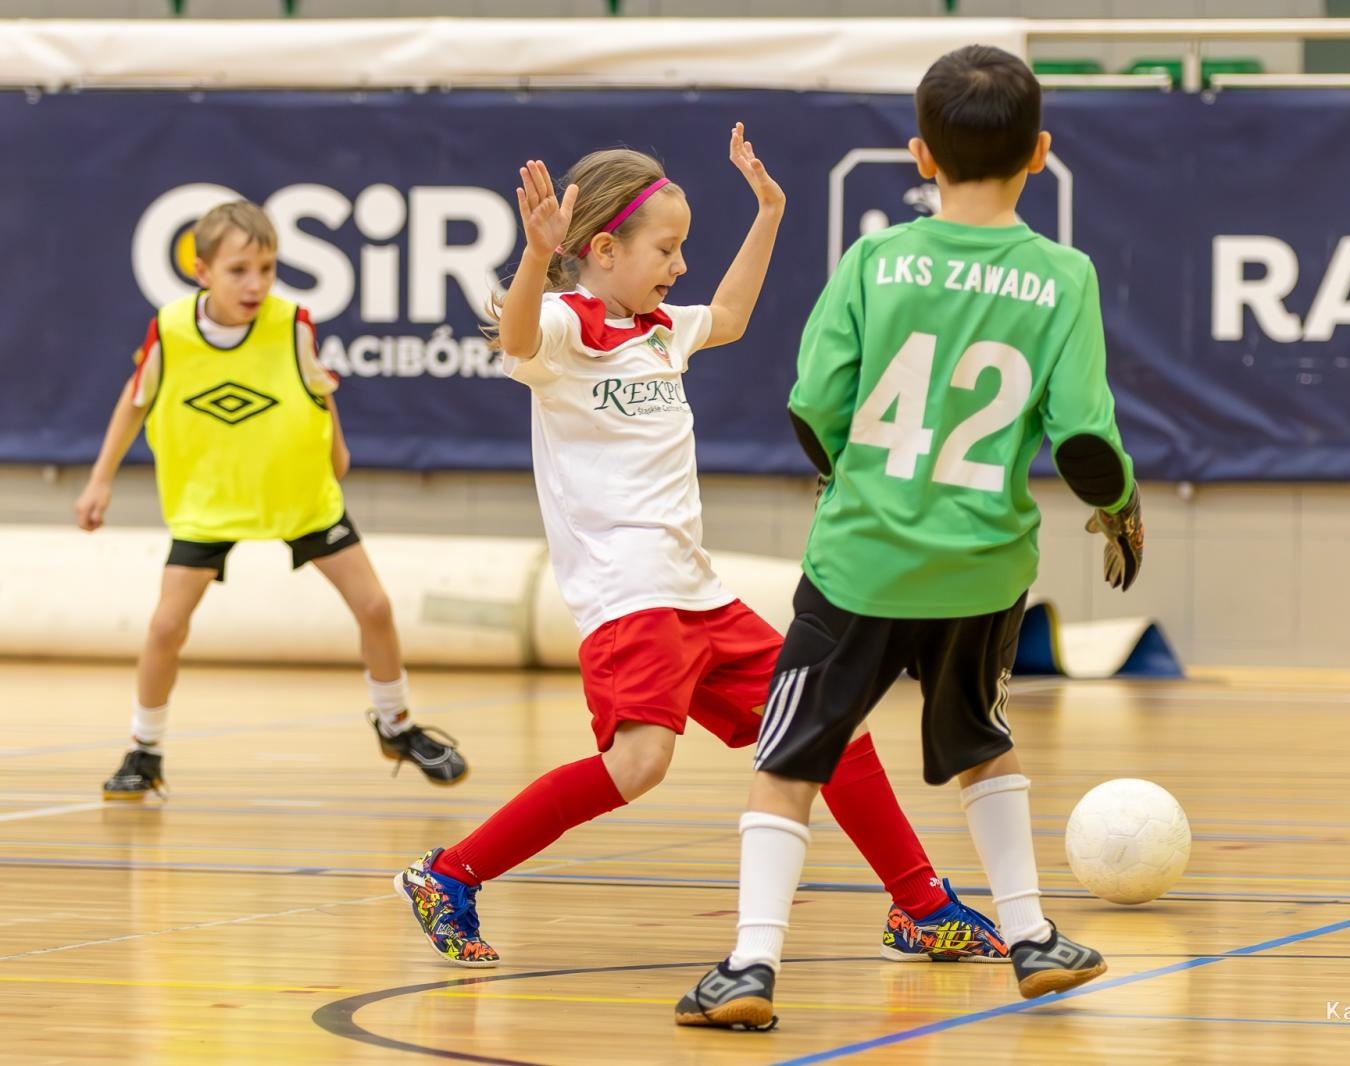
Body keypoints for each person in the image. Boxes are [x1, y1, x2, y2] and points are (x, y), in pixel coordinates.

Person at [394, 125, 1004, 970]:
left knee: (829, 728)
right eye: (666, 249)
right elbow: (518, 338)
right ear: (603, 249)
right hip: (629, 595)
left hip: (698, 594)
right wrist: (537, 259)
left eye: (684, 250)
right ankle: (450, 874)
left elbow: (732, 315)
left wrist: (771, 212)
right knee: (639, 765)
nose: (679, 266)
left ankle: (921, 906)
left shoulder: (660, 328)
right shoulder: (568, 329)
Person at [675, 46, 1144, 1030]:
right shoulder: (1065, 276)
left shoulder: (874, 260)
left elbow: (812, 402)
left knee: (790, 753)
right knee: (981, 739)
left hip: (861, 558)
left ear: (919, 156)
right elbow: (1086, 438)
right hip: (982, 566)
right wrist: (1119, 503)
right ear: (1042, 154)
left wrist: (859, 479)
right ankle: (1028, 937)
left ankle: (751, 964)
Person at [74, 200, 467, 799]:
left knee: (376, 608)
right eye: (239, 270)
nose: (256, 283)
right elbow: (132, 405)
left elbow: (318, 389)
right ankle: (144, 749)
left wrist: (339, 448)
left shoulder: (293, 324)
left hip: (299, 495)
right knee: (165, 626)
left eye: (266, 267)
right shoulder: (171, 330)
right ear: (202, 271)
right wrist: (99, 479)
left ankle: (398, 727)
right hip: (212, 501)